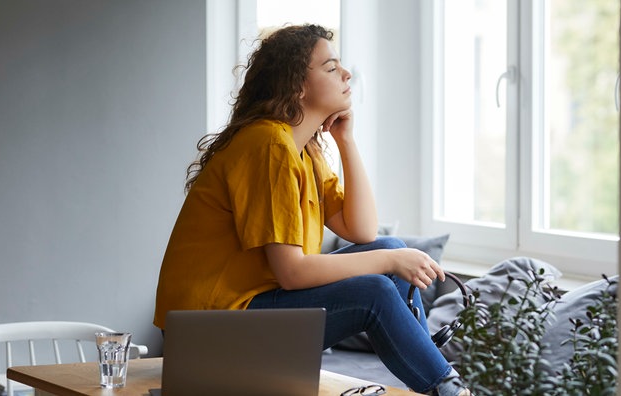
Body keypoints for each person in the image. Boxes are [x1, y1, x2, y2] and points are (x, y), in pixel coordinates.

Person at [153, 24, 470, 396]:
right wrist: (389, 262)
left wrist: (346, 141)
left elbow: (363, 231)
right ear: (297, 85)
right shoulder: (268, 145)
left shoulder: (304, 151)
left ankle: (440, 383)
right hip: (206, 337)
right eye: (332, 67)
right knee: (376, 288)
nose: (347, 74)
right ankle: (452, 390)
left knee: (389, 248)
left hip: (243, 318)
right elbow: (292, 272)